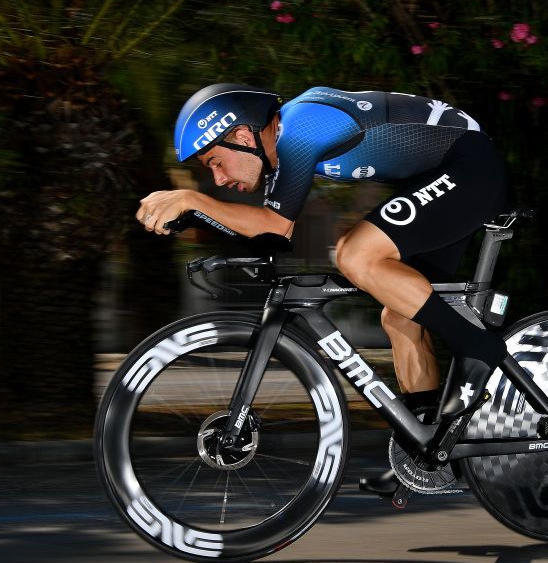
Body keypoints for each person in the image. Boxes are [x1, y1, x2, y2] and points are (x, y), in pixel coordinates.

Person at [137, 84, 508, 496]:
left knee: (355, 255)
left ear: (241, 137)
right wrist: (195, 218)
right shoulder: (281, 148)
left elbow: (274, 227)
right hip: (440, 175)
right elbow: (268, 237)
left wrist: (192, 199)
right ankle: (427, 446)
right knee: (399, 313)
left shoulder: (301, 128)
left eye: (215, 163)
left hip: (468, 166)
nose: (219, 178)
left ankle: (475, 346)